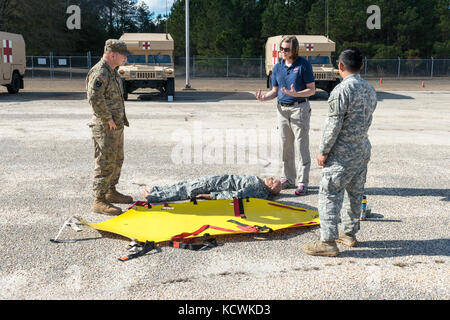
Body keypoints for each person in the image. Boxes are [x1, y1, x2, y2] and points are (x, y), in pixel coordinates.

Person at [301, 47, 377, 257]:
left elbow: (333, 125)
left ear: (340, 66)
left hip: (341, 153)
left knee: (329, 195)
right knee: (355, 193)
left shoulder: (341, 91)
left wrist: (323, 151)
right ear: (361, 66)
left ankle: (327, 242)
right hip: (361, 149)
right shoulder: (370, 89)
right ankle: (349, 234)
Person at [255, 36, 315, 196]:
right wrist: (263, 98)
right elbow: (274, 91)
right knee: (285, 146)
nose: (283, 51)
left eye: (286, 49)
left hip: (299, 109)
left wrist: (296, 93)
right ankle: (288, 178)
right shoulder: (277, 67)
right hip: (282, 110)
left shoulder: (304, 65)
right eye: (281, 48)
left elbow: (312, 89)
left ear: (294, 50)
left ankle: (302, 182)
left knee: (302, 147)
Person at [86, 39, 133, 215]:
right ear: (112, 54)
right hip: (105, 126)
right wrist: (107, 119)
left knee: (117, 159)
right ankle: (99, 200)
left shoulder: (112, 72)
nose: (126, 59)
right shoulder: (100, 72)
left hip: (116, 126)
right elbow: (94, 98)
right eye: (123, 55)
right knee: (105, 162)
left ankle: (111, 191)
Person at [140, 175, 282, 203]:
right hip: (217, 181)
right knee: (185, 184)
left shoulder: (258, 188)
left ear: (270, 187)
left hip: (215, 185)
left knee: (185, 191)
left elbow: (235, 195)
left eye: (273, 180)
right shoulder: (260, 186)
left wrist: (208, 196)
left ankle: (153, 197)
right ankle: (156, 189)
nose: (271, 177)